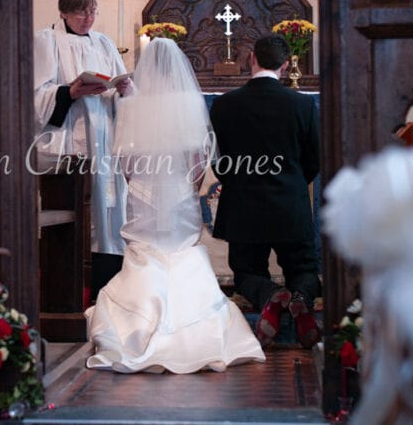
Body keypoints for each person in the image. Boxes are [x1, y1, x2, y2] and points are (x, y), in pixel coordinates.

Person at [85, 38, 266, 373]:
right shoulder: (187, 102)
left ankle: (137, 321)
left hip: (143, 192)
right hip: (180, 193)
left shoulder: (133, 105)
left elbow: (125, 162)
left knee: (146, 249)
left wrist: (140, 188)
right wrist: (187, 189)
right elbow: (199, 164)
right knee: (182, 249)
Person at [209, 34, 321, 349]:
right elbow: (315, 158)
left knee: (245, 272)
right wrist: (295, 181)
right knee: (305, 268)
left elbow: (219, 160)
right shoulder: (302, 104)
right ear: (285, 66)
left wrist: (238, 181)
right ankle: (299, 297)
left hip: (243, 205)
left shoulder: (224, 105)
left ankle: (271, 296)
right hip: (290, 204)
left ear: (252, 60)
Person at [34, 0, 134, 296]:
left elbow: (125, 93)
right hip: (66, 143)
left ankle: (106, 294)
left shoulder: (104, 44)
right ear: (63, 11)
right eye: (81, 12)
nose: (88, 18)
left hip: (103, 144)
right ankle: (66, 295)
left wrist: (123, 91)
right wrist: (68, 93)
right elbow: (34, 95)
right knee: (72, 216)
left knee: (107, 217)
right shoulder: (46, 41)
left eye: (92, 11)